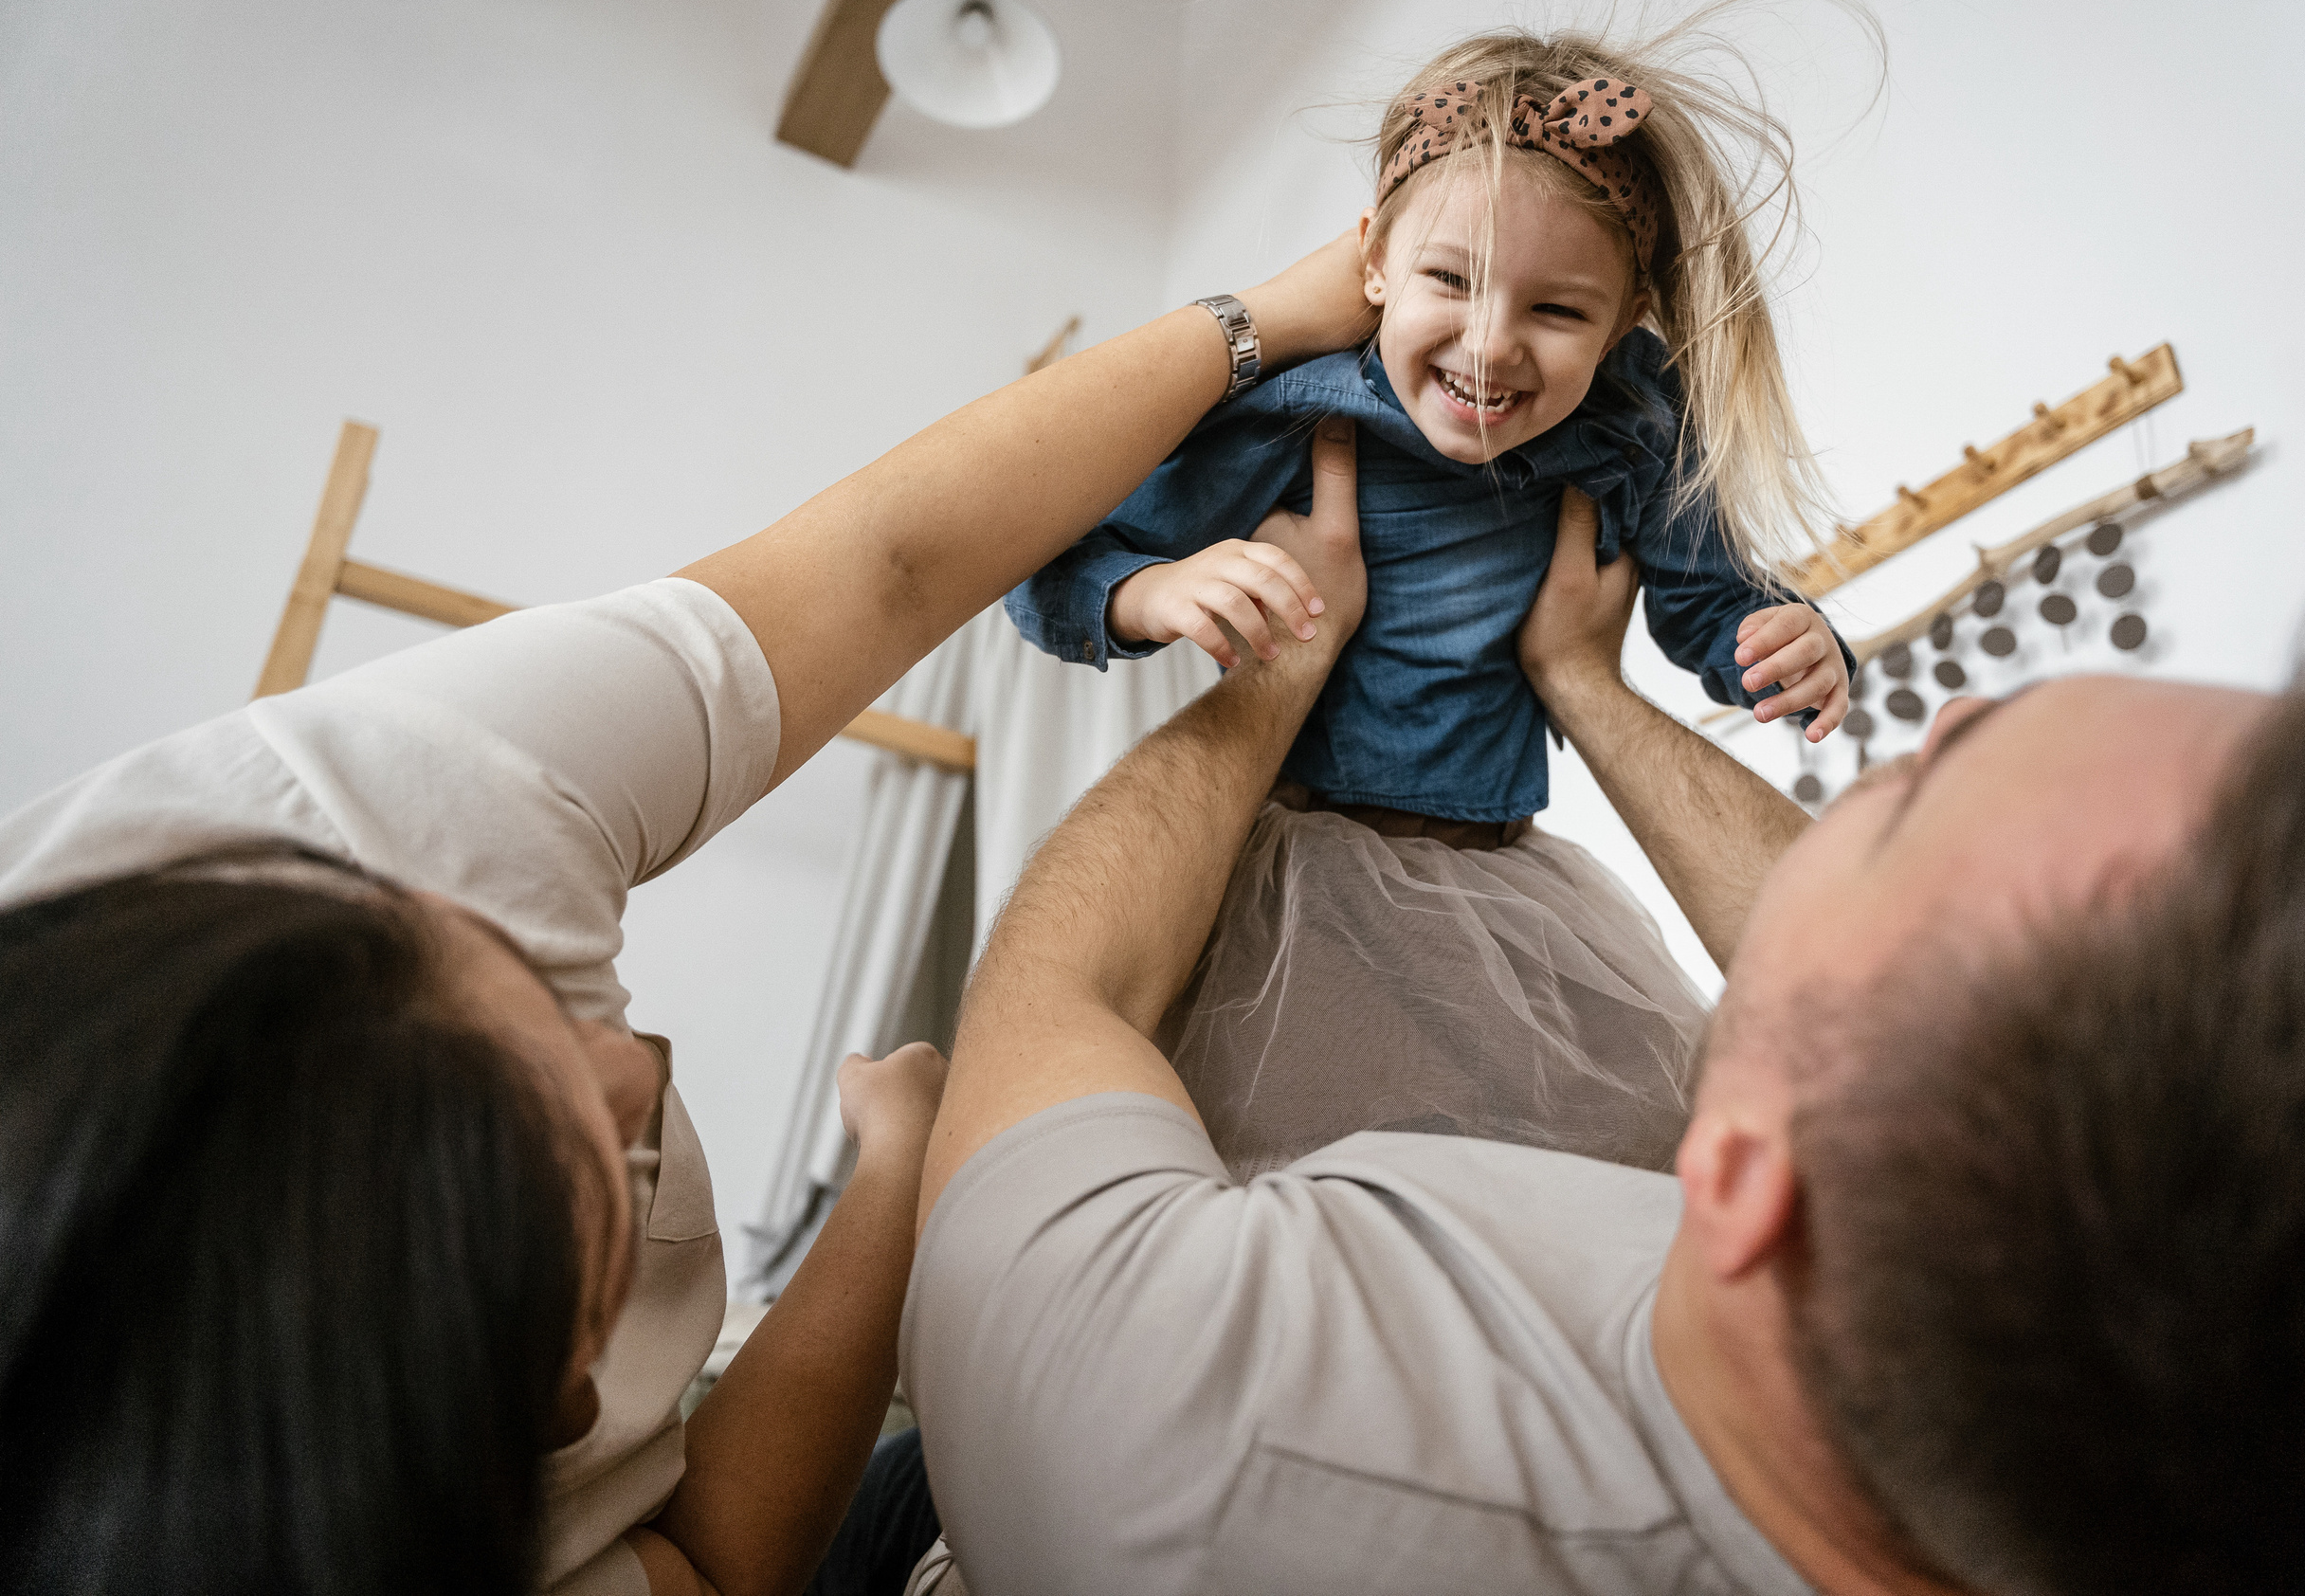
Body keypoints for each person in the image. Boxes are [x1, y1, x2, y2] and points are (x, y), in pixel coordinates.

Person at [0, 236, 1376, 1595]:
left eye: (496, 982)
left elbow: (891, 564)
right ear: (544, 1423)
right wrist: (893, 1181)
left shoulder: (372, 802)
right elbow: (713, 1560)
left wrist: (1270, 313)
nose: (638, 1067)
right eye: (600, 1174)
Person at [905, 415, 2305, 1592]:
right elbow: (1843, 982)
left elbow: (1061, 989)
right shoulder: (2131, 1434)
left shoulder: (1193, 1415)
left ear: (1752, 1183)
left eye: (1901, 804)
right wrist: (1587, 678)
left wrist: (1276, 675)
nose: (1948, 710)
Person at [1007, 26, 1860, 1179]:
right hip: (1300, 868)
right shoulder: (1300, 413)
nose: (1490, 345)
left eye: (1557, 311)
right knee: (1301, 1164)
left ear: (1625, 319)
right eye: (1448, 281)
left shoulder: (1633, 424)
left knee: (1589, 1164)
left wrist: (1789, 639)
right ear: (1373, 265)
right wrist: (1156, 590)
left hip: (1506, 878)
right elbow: (1042, 573)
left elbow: (1711, 606)